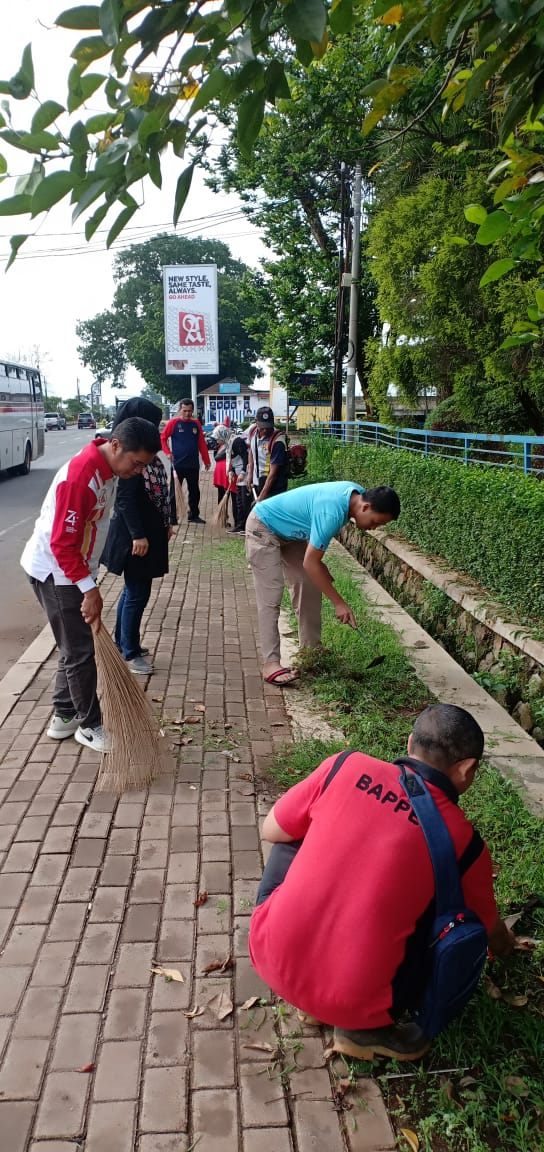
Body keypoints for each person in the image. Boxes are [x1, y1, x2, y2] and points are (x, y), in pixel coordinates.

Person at [249, 703, 515, 1061]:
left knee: (292, 836)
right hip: (361, 1000)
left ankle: (310, 998)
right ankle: (364, 1029)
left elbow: (271, 830)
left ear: (409, 744)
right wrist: (507, 947)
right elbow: (484, 927)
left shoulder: (345, 765)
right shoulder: (465, 843)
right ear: (466, 769)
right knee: (449, 922)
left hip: (269, 955)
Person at [20, 417, 161, 753]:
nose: (139, 471)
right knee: (81, 652)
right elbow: (62, 545)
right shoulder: (81, 477)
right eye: (136, 462)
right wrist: (89, 588)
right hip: (57, 571)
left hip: (73, 567)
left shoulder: (109, 470)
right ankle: (89, 725)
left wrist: (90, 578)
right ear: (116, 446)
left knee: (73, 646)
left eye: (144, 465)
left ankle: (65, 715)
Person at [245, 481, 400, 686]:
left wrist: (318, 564)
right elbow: (310, 562)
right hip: (263, 527)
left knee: (308, 585)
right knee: (271, 598)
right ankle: (271, 663)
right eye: (375, 522)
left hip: (289, 534)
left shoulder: (356, 495)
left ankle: (311, 653)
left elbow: (313, 533)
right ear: (365, 507)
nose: (373, 528)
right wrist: (339, 603)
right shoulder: (333, 512)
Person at [101, 398, 174, 676]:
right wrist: (138, 535)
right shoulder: (131, 458)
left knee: (134, 591)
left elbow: (163, 492)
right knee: (137, 592)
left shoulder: (149, 457)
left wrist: (168, 521)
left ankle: (124, 642)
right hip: (136, 538)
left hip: (150, 532)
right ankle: (129, 653)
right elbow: (125, 500)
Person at [161, 397, 210, 524]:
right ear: (180, 410)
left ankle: (193, 515)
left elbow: (201, 443)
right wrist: (167, 453)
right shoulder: (173, 423)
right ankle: (172, 517)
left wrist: (206, 460)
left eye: (190, 411)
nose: (187, 413)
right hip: (177, 464)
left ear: (193, 410)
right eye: (185, 411)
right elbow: (163, 438)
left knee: (195, 491)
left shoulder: (196, 424)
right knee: (174, 492)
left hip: (193, 464)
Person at [247, 406, 289, 502]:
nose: (265, 430)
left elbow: (273, 474)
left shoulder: (278, 441)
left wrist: (261, 498)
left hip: (274, 487)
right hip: (258, 482)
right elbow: (251, 452)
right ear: (256, 422)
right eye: (263, 426)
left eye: (268, 426)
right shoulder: (252, 432)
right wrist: (250, 475)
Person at [228, 431, 252, 534]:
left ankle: (245, 525)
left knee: (244, 502)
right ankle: (240, 525)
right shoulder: (228, 443)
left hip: (245, 477)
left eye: (217, 438)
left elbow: (245, 457)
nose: (217, 441)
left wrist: (243, 472)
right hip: (238, 477)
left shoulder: (237, 442)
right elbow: (233, 460)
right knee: (239, 502)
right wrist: (231, 472)